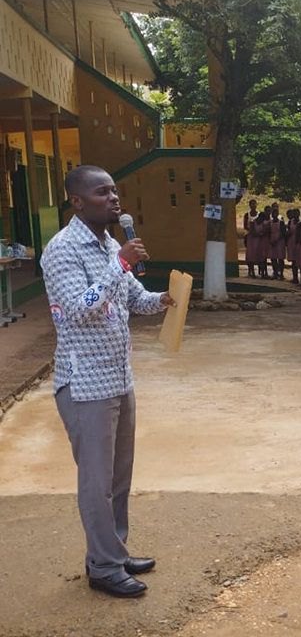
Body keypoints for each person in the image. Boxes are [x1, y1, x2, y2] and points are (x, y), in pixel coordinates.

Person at [40, 165, 176, 598]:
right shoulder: (62, 250)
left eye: (114, 191)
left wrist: (165, 300)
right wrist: (121, 263)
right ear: (77, 201)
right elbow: (81, 309)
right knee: (96, 483)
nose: (114, 199)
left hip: (118, 377)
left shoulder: (109, 243)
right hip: (85, 386)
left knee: (118, 477)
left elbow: (132, 299)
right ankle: (102, 565)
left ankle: (113, 550)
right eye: (102, 193)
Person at [286, 208, 301, 285]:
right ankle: (295, 277)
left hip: (299, 242)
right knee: (293, 261)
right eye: (294, 213)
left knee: (300, 260)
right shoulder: (290, 222)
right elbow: (288, 231)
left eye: (297, 213)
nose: (295, 215)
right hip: (291, 242)